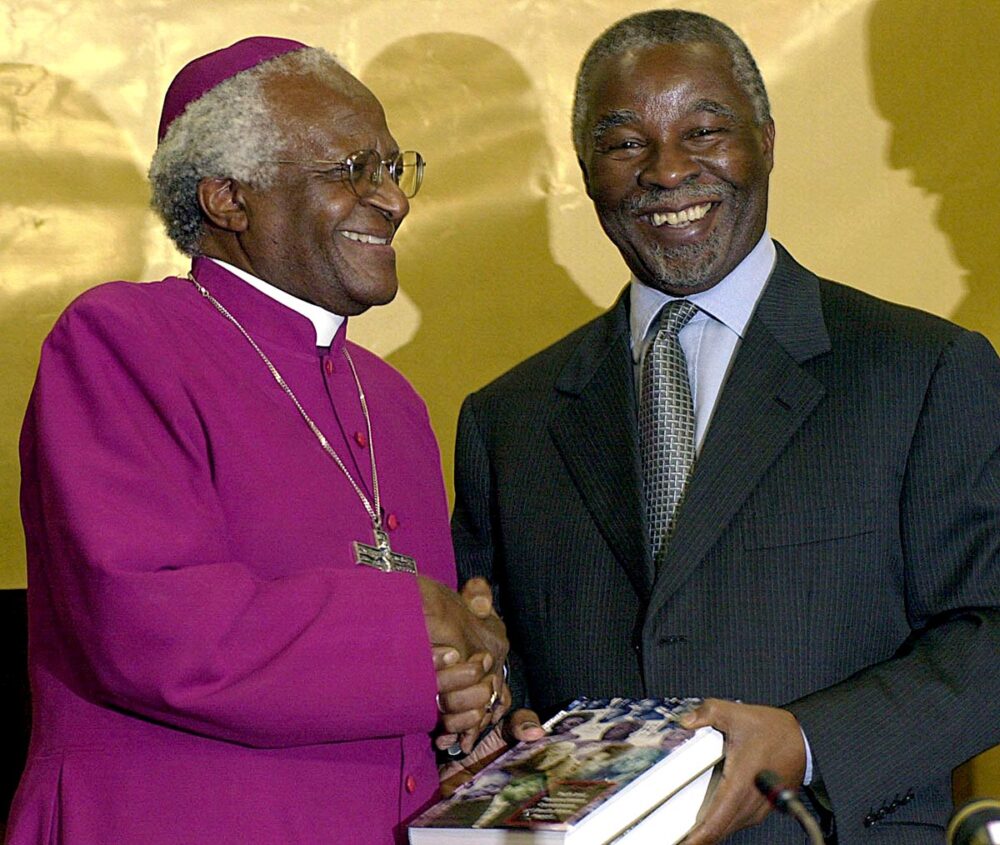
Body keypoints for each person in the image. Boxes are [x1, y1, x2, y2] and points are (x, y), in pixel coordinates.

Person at [451, 9, 1000, 845]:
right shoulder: (508, 419)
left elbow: (990, 638)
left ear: (768, 141)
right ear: (587, 170)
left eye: (704, 130)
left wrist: (810, 742)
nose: (668, 171)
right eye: (627, 143)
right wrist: (486, 695)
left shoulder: (920, 368)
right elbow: (508, 674)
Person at [10, 37, 507, 845]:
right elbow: (153, 627)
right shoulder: (122, 340)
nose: (394, 199)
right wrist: (416, 623)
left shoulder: (395, 402)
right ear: (227, 198)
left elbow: (418, 674)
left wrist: (467, 691)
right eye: (353, 169)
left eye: (395, 166)